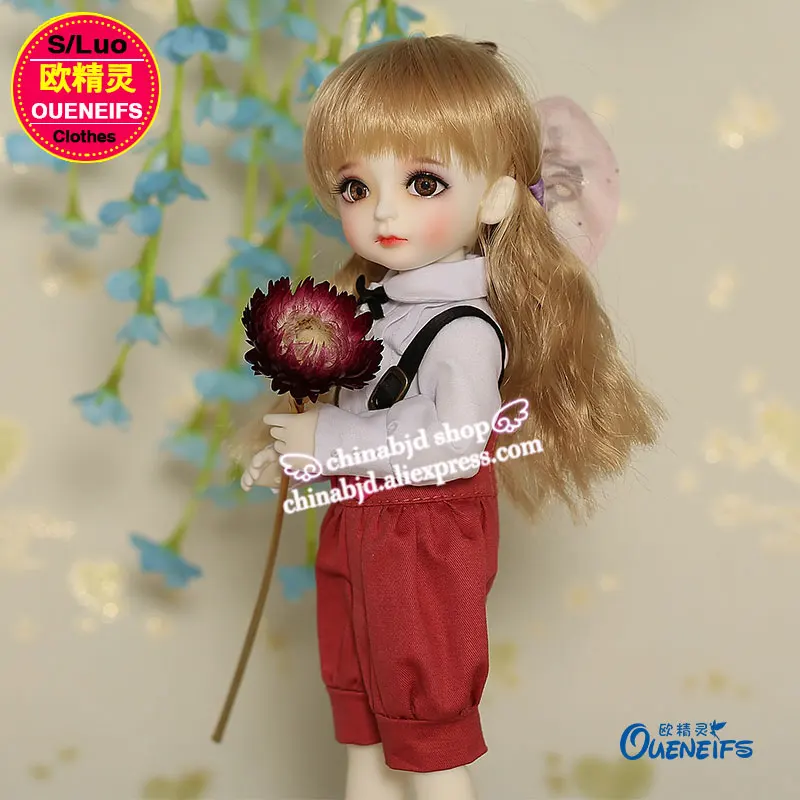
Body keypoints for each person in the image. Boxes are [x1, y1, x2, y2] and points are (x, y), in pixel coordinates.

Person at [240, 35, 663, 800]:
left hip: (422, 542)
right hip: (360, 524)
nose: (384, 210)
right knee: (365, 728)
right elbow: (363, 407)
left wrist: (326, 440)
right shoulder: (380, 307)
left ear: (495, 199)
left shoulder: (464, 329)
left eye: (424, 183)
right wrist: (295, 454)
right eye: (355, 187)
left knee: (426, 738)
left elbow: (458, 445)